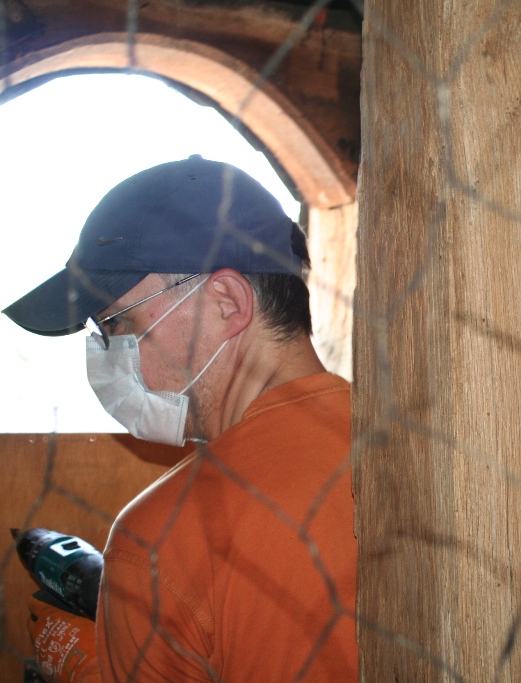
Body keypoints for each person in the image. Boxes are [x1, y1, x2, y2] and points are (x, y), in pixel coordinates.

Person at [4, 156, 357, 682]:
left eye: (115, 322)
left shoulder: (155, 545)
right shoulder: (396, 444)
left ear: (226, 302)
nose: (104, 352)